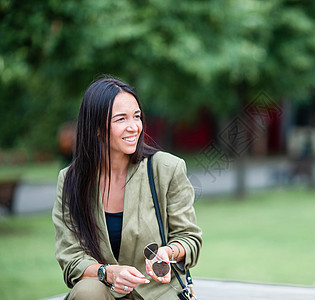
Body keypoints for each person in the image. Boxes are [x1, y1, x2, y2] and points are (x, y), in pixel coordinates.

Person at [52, 76, 202, 299]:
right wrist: (108, 273)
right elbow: (72, 257)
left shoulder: (167, 168)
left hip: (157, 292)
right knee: (86, 291)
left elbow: (190, 238)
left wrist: (167, 252)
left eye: (137, 116)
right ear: (96, 127)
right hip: (105, 292)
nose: (134, 127)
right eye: (121, 119)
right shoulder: (71, 180)